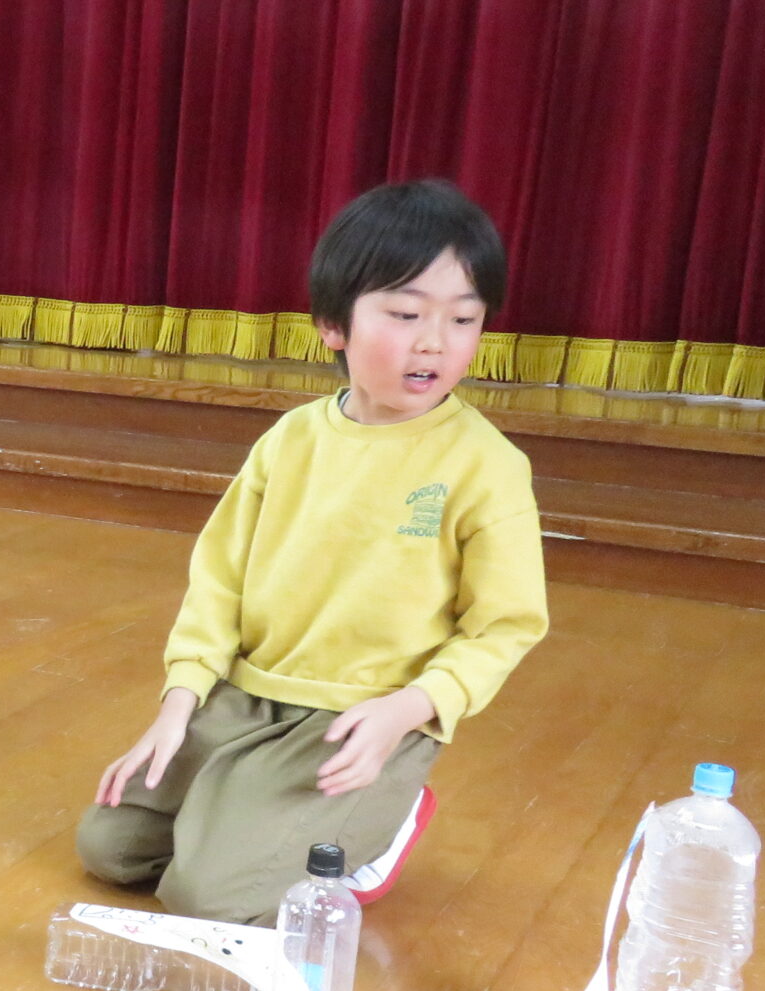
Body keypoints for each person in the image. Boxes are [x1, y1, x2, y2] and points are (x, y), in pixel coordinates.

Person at [79, 179, 549, 926]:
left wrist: (410, 709)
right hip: (246, 700)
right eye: (406, 314)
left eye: (464, 319)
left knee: (207, 897)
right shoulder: (289, 439)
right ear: (333, 325)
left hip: (363, 720)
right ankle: (248, 808)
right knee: (110, 848)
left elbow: (505, 625)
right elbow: (219, 582)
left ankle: (386, 814)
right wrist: (179, 705)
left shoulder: (487, 465)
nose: (435, 341)